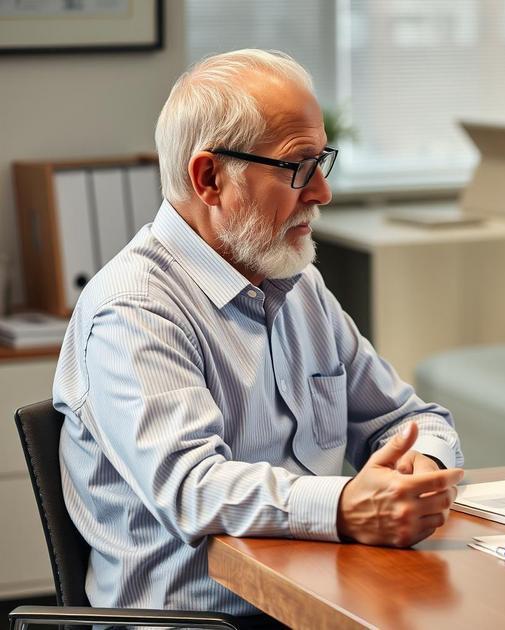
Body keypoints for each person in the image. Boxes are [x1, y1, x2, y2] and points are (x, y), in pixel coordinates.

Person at [53, 49, 465, 619]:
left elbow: (408, 422)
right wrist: (346, 506)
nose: (321, 192)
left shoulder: (300, 285)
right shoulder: (133, 308)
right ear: (209, 178)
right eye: (298, 166)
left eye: (323, 162)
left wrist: (422, 474)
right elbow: (195, 489)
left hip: (317, 599)